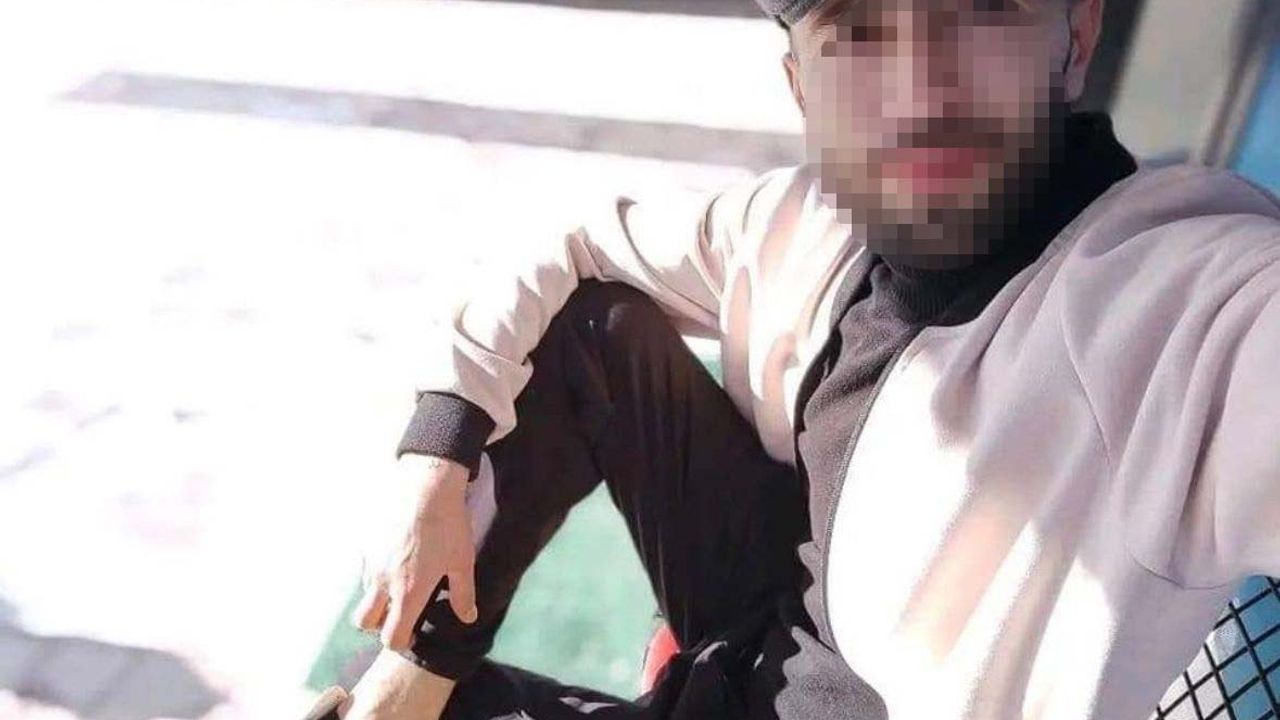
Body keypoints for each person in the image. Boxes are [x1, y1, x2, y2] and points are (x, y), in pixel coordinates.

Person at [306, 0, 1280, 718]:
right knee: (592, 326)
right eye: (855, 29)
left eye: (982, 9)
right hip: (758, 631)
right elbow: (566, 244)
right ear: (802, 85)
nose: (917, 90)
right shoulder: (809, 225)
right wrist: (435, 457)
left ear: (1075, 37)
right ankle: (422, 680)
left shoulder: (1165, 305)